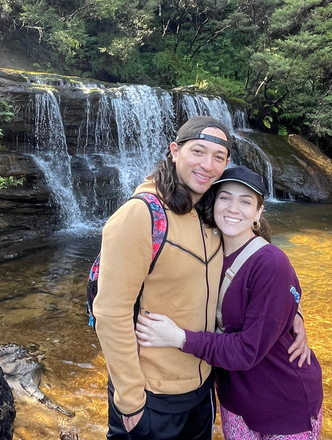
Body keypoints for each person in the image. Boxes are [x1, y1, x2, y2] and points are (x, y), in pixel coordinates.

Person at [92, 118, 309, 440]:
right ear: (175, 151)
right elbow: (111, 313)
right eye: (198, 151)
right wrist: (129, 399)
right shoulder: (140, 215)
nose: (208, 165)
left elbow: (261, 266)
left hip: (203, 386)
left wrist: (294, 314)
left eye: (218, 157)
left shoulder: (211, 215)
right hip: (153, 394)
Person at [135, 165, 323, 440]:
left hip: (283, 402)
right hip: (235, 400)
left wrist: (178, 337)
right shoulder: (206, 250)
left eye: (245, 201)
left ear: (258, 212)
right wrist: (295, 313)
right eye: (225, 197)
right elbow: (292, 292)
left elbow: (248, 349)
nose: (233, 208)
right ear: (213, 203)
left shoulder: (270, 262)